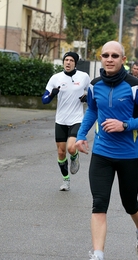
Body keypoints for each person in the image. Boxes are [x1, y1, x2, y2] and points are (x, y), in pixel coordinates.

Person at [75, 41, 138, 260]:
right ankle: (98, 257)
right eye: (105, 55)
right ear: (100, 58)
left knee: (130, 203)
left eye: (114, 55)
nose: (109, 59)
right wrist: (82, 135)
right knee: (99, 203)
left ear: (123, 59)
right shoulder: (95, 85)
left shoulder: (135, 86)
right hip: (102, 153)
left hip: (129, 154)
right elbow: (92, 109)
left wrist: (126, 124)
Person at [41, 52, 90, 191]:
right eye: (66, 60)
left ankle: (74, 156)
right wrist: (51, 95)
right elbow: (44, 100)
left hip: (77, 118)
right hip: (61, 120)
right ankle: (66, 180)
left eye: (71, 60)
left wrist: (86, 98)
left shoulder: (84, 77)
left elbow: (92, 93)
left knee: (70, 148)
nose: (68, 62)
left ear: (75, 63)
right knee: (61, 152)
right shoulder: (55, 78)